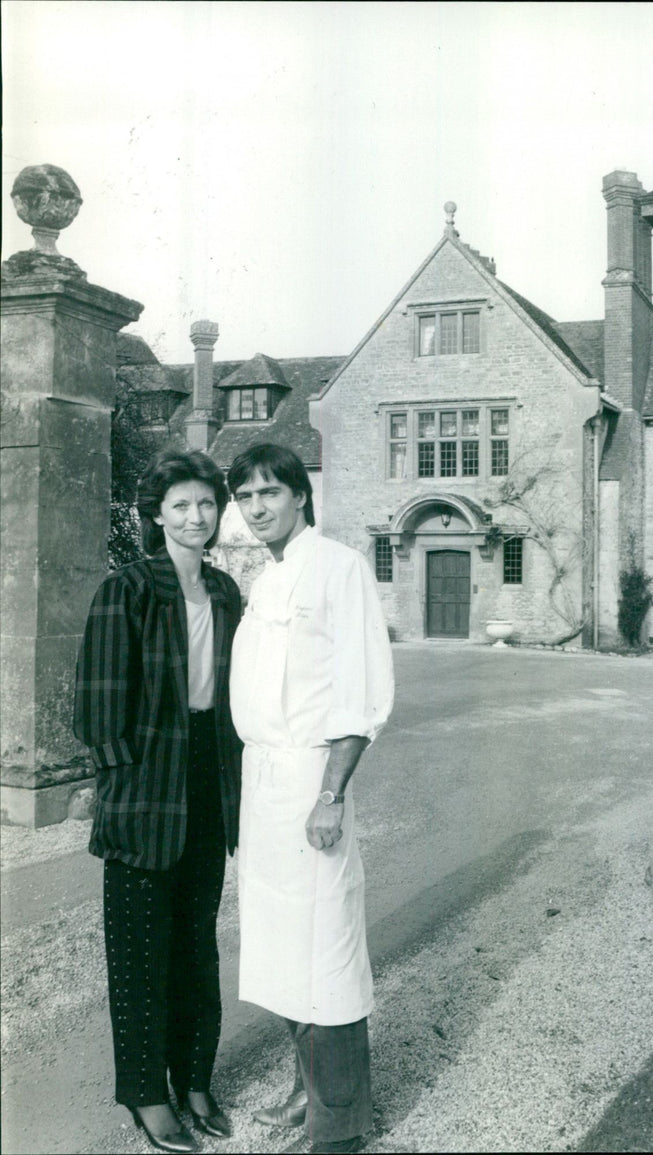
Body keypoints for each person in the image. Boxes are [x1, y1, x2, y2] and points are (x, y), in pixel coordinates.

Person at [73, 447, 242, 1154]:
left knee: (196, 943)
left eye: (206, 503)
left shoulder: (228, 591)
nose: (196, 516)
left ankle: (194, 1077)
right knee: (142, 950)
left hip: (209, 777)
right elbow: (97, 705)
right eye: (181, 505)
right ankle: (147, 1093)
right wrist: (124, 785)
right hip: (146, 785)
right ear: (157, 514)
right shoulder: (130, 588)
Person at [228, 443, 394, 1155]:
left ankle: (342, 1123)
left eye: (270, 491)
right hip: (262, 786)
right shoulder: (265, 581)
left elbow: (360, 694)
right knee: (279, 952)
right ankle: (307, 1087)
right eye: (245, 495)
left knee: (325, 948)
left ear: (300, 494)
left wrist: (331, 794)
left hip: (311, 783)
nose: (257, 506)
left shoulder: (340, 567)